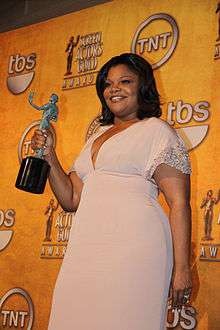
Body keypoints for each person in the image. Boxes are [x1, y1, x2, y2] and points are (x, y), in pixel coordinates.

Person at [31, 53, 192, 329]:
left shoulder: (157, 131)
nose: (114, 89)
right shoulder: (95, 136)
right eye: (107, 84)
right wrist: (49, 156)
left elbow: (179, 203)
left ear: (143, 87)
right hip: (85, 250)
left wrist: (182, 268)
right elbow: (71, 198)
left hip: (135, 250)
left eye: (125, 81)